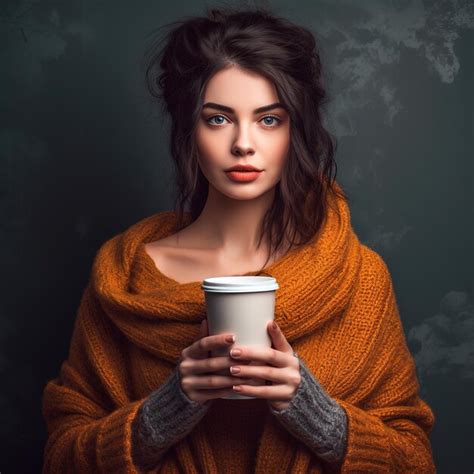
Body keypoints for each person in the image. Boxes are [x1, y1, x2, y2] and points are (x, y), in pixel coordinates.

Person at [41, 6, 436, 474]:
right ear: (188, 129)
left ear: (296, 130)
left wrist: (318, 415)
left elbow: (415, 460)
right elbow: (60, 457)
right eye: (218, 119)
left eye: (269, 119)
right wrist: (165, 411)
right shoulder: (123, 281)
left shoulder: (358, 278)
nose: (243, 143)